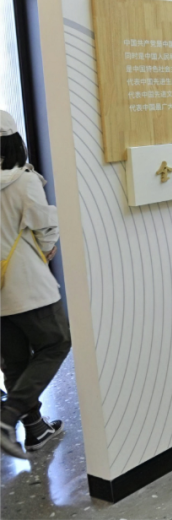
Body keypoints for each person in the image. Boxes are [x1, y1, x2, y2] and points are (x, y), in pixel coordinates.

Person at [0, 110, 68, 459]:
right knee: (56, 343)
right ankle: (8, 415)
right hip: (27, 287)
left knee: (14, 362)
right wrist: (47, 249)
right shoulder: (23, 181)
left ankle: (36, 428)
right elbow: (46, 228)